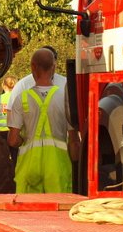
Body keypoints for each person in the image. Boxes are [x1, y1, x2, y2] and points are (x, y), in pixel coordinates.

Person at [7, 47, 78, 193]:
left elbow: (13, 140)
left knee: (29, 211)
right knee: (57, 212)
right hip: (57, 167)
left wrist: (24, 141)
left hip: (29, 167)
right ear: (54, 67)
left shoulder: (22, 98)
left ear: (32, 66)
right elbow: (74, 142)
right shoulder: (66, 97)